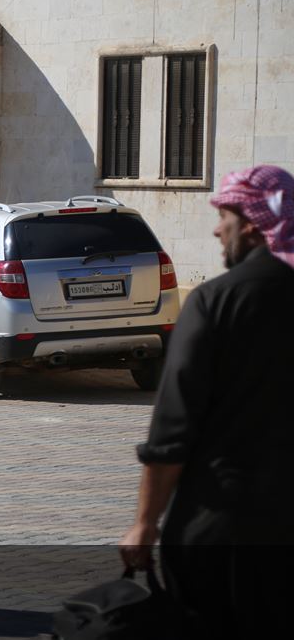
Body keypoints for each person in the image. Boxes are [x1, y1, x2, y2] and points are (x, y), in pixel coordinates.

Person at [118, 165, 294, 638]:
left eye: (226, 215)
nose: (217, 228)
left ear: (255, 221)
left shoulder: (217, 300)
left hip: (224, 528)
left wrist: (144, 523)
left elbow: (173, 427)